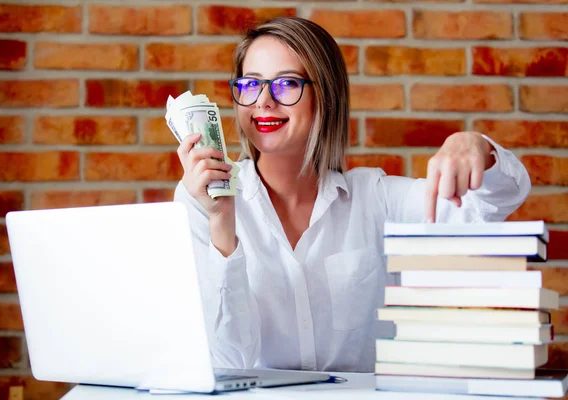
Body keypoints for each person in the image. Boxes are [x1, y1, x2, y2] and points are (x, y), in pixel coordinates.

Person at [174, 17, 531, 373]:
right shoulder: (199, 200)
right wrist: (222, 222)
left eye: (286, 84)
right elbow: (227, 361)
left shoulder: (375, 199)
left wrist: (476, 147)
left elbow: (491, 204)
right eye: (250, 85)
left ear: (324, 96)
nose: (263, 101)